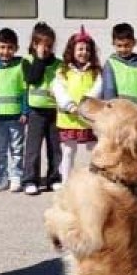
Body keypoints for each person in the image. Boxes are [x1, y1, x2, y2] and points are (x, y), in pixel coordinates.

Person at [53, 28, 103, 186]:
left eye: (87, 49)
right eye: (80, 49)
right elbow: (58, 89)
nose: (84, 52)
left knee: (94, 149)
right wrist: (69, 105)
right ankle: (66, 182)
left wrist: (85, 105)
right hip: (69, 119)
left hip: (89, 119)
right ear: (72, 51)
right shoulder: (63, 71)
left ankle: (96, 180)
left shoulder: (96, 72)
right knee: (68, 151)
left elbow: (97, 89)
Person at [21, 22, 62, 195]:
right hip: (36, 111)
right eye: (41, 45)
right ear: (34, 44)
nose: (45, 49)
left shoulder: (59, 64)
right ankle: (30, 180)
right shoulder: (27, 61)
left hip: (54, 111)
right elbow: (33, 78)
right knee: (33, 148)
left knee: (55, 147)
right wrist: (39, 59)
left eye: (49, 46)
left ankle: (54, 178)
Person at [0, 28, 28, 193]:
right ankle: (2, 176)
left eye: (10, 47)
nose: (6, 51)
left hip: (16, 116)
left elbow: (25, 90)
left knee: (17, 148)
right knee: (0, 150)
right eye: (2, 47)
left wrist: (24, 111)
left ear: (16, 48)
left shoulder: (21, 65)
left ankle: (16, 176)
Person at [100, 22, 137, 110]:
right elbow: (109, 93)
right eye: (119, 46)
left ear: (134, 42)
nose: (123, 49)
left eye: (127, 45)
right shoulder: (111, 64)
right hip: (119, 113)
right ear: (113, 43)